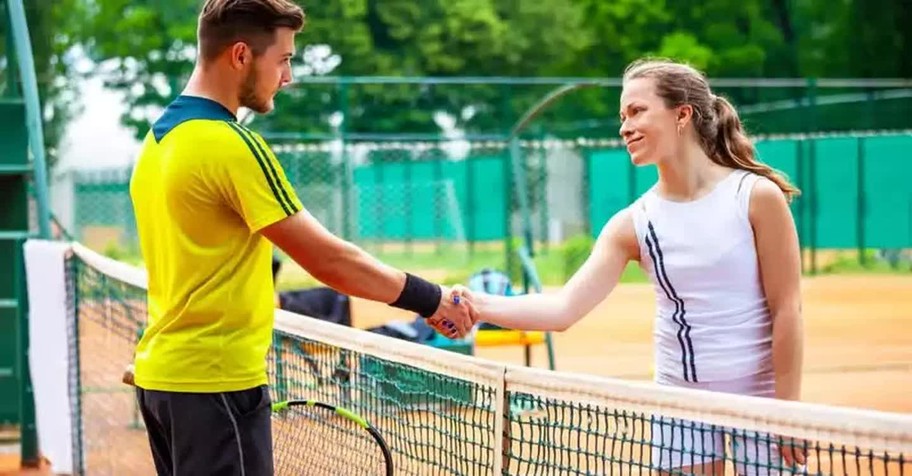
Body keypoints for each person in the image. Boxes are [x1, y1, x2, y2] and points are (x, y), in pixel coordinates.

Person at [127, 1, 473, 475]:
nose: (288, 77)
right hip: (216, 387)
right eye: (284, 59)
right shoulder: (228, 144)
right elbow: (329, 260)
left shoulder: (158, 141)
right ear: (242, 55)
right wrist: (430, 299)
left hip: (164, 381)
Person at [451, 58, 807, 475]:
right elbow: (563, 309)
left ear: (682, 114)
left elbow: (787, 308)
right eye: (622, 115)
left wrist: (788, 412)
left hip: (762, 398)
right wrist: (476, 303)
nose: (624, 126)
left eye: (636, 111)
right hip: (679, 401)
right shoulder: (633, 224)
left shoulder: (756, 197)